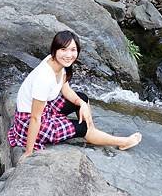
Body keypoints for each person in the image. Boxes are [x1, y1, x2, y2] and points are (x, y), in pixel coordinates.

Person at [8, 30, 142, 158]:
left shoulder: (57, 62)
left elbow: (65, 88)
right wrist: (28, 151)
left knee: (82, 98)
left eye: (73, 50)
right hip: (29, 122)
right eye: (63, 49)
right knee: (82, 127)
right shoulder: (44, 78)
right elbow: (35, 118)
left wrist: (82, 104)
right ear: (55, 50)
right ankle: (122, 142)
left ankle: (92, 133)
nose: (68, 54)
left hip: (45, 110)